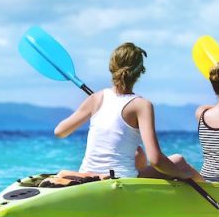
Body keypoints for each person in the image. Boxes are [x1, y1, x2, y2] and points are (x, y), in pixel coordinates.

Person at [52, 42, 200, 181]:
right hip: (120, 179)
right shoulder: (141, 105)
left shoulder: (96, 98)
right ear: (140, 72)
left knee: (138, 154)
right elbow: (156, 160)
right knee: (178, 160)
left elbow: (60, 131)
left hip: (88, 173)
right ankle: (217, 193)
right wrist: (182, 174)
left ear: (112, 68)